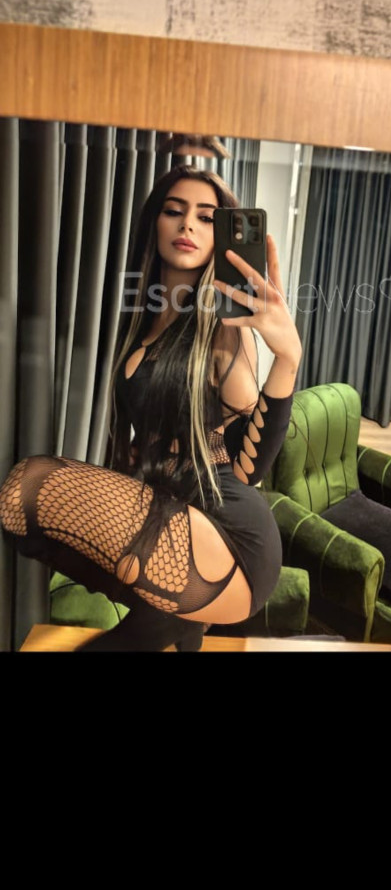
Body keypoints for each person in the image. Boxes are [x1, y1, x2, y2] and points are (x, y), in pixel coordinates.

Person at [0, 164, 302, 651]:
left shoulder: (221, 330)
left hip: (230, 540)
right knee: (18, 509)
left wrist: (287, 360)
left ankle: (175, 621)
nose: (187, 225)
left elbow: (249, 470)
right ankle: (174, 622)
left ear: (220, 235)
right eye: (174, 211)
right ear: (154, 223)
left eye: (206, 217)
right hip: (169, 520)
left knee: (30, 484)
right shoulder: (141, 323)